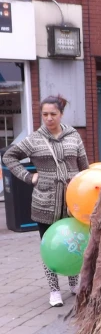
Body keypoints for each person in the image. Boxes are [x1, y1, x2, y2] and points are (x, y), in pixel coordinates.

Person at [2, 95, 89, 307]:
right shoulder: (34, 139)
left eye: (53, 114)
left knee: (74, 243)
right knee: (49, 245)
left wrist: (86, 186)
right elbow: (9, 157)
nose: (49, 118)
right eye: (45, 114)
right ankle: (54, 290)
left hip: (73, 201)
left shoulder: (73, 136)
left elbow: (84, 165)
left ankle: (73, 284)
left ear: (61, 114)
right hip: (45, 202)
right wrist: (28, 176)